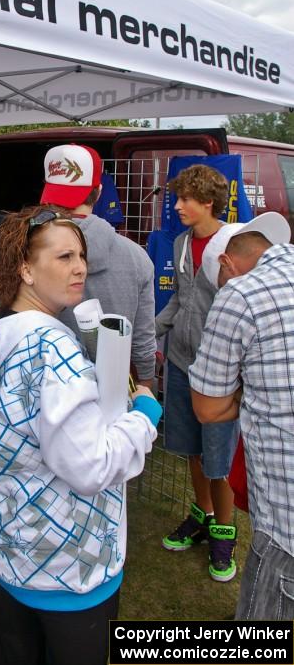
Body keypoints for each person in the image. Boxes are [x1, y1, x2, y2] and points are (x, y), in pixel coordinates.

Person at [0, 205, 162, 665]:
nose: (81, 268)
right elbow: (91, 465)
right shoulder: (54, 350)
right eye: (65, 257)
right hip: (69, 566)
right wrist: (143, 418)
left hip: (9, 548)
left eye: (82, 256)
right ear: (26, 270)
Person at [189, 212, 293, 619]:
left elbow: (209, 406)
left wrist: (256, 396)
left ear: (226, 264)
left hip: (286, 529)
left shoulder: (242, 294)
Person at [155, 163, 240, 582]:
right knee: (191, 448)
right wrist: (149, 331)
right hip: (180, 362)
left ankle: (224, 533)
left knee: (218, 457)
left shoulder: (234, 244)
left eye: (186, 199)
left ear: (208, 202)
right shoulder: (181, 243)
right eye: (177, 198)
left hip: (220, 371)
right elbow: (181, 301)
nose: (178, 206)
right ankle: (203, 516)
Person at [40, 143, 157, 388]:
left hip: (44, 391)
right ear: (99, 191)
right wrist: (146, 389)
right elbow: (143, 341)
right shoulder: (136, 257)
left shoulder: (24, 250)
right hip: (112, 391)